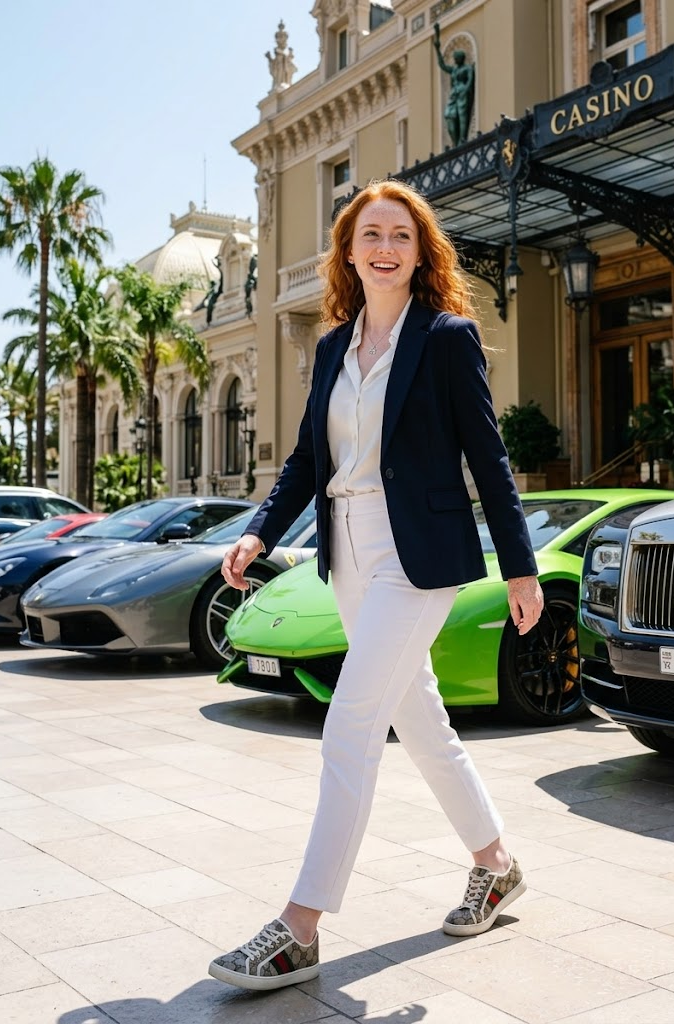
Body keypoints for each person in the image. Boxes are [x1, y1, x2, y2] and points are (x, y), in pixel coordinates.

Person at [209, 178, 543, 992]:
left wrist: (520, 564)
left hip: (417, 554)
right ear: (350, 252)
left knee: (350, 723)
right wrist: (259, 527)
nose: (385, 247)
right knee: (419, 721)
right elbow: (304, 461)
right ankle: (495, 863)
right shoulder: (332, 347)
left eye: (400, 235)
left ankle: (300, 927)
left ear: (418, 250)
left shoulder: (447, 337)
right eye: (370, 236)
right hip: (347, 550)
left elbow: (488, 459)